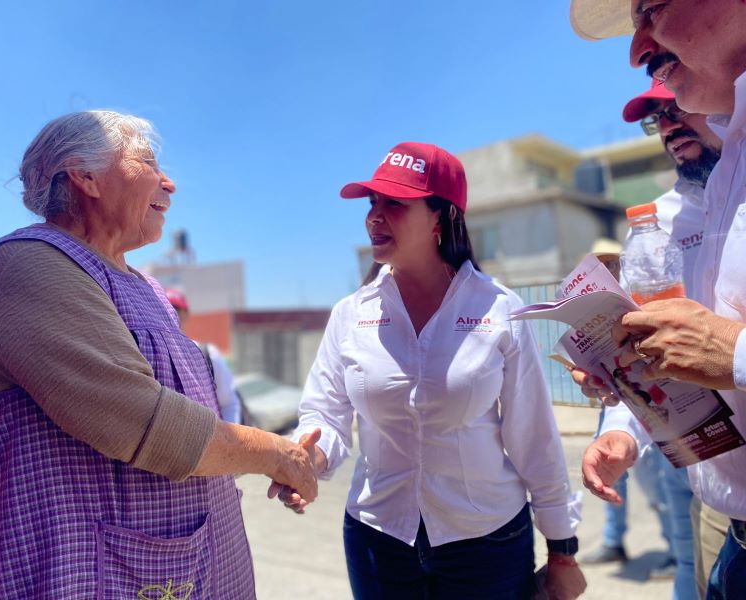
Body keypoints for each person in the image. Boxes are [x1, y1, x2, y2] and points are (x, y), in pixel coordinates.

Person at [0, 110, 320, 598]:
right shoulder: (31, 265)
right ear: (84, 176)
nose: (169, 184)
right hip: (85, 573)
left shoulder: (143, 283)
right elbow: (144, 423)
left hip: (181, 563)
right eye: (148, 162)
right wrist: (278, 453)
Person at [269, 141, 586, 599]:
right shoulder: (350, 314)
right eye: (372, 202)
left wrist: (562, 549)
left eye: (394, 203)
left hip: (487, 542)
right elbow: (325, 415)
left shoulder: (497, 308)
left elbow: (534, 437)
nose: (374, 215)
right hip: (378, 541)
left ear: (441, 216)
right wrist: (308, 459)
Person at [570, 2, 746, 597]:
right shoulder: (677, 214)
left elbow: (720, 349)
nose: (670, 124)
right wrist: (623, 414)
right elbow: (676, 353)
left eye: (652, 7)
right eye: (657, 120)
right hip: (728, 518)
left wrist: (736, 353)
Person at [582, 237, 677, 570]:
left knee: (658, 480)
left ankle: (674, 547)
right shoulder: (588, 302)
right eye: (600, 263)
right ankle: (613, 540)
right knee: (610, 470)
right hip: (613, 402)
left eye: (611, 261)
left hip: (644, 400)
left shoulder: (637, 296)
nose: (606, 268)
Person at [165, 287, 248, 425]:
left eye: (176, 310)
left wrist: (229, 443)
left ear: (185, 314)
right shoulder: (149, 354)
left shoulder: (206, 354)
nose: (171, 314)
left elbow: (229, 402)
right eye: (165, 308)